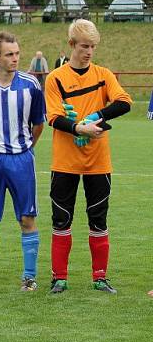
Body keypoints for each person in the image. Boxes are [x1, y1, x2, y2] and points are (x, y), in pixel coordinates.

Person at [44, 19, 132, 294]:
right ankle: (59, 278)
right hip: (65, 161)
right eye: (84, 46)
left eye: (93, 46)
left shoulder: (104, 75)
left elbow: (124, 102)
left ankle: (100, 278)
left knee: (99, 219)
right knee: (61, 219)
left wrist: (98, 116)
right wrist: (78, 128)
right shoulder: (55, 78)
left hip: (98, 161)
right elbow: (54, 117)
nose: (89, 51)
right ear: (71, 45)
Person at [0, 32, 46, 291]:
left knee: (27, 218)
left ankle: (29, 277)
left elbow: (39, 124)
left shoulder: (31, 86)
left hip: (21, 160)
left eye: (17, 53)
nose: (15, 59)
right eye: (9, 54)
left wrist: (25, 148)